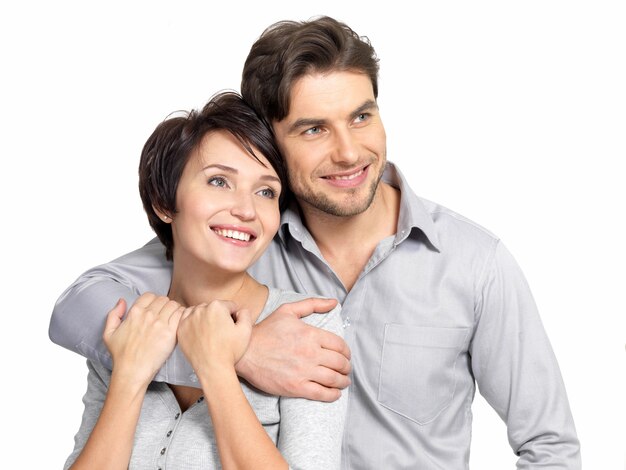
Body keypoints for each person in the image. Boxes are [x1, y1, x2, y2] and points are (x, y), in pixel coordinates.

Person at [51, 16, 581, 468]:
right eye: (313, 129)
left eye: (361, 116)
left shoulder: (473, 264)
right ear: (270, 144)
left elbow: (548, 445)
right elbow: (79, 305)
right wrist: (240, 352)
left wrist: (216, 356)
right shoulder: (241, 238)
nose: (350, 152)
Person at [61, 91, 346, 469]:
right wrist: (129, 375)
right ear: (165, 202)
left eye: (266, 192)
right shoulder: (136, 326)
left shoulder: (306, 325)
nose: (246, 210)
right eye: (219, 182)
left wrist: (216, 366)